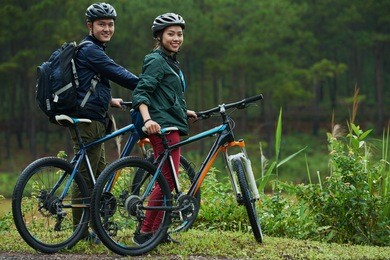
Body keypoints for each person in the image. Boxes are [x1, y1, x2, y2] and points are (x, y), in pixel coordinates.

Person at [71, 2, 139, 243]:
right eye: (102, 24)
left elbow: (86, 84)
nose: (107, 29)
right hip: (88, 121)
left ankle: (94, 228)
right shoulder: (91, 50)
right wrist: (146, 84)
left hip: (95, 119)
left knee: (98, 174)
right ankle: (79, 232)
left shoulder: (92, 49)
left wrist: (110, 100)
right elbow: (117, 72)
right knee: (85, 176)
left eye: (110, 25)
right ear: (90, 25)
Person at [132, 12, 197, 245]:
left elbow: (165, 95)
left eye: (180, 34)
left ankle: (156, 231)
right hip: (162, 128)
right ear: (159, 36)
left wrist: (183, 112)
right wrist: (148, 120)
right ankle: (146, 233)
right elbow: (142, 92)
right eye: (171, 34)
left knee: (167, 179)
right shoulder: (156, 60)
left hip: (171, 123)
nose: (177, 38)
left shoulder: (169, 61)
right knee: (167, 181)